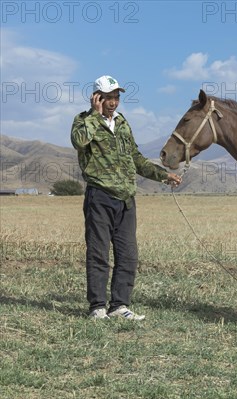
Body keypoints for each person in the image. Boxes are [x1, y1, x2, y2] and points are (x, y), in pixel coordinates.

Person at [71, 75, 181, 320]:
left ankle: (119, 305)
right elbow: (79, 142)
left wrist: (164, 176)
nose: (113, 102)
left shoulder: (122, 123)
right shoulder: (83, 121)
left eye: (116, 97)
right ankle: (97, 307)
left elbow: (137, 159)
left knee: (128, 254)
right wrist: (94, 114)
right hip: (100, 196)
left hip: (126, 199)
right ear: (97, 97)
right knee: (98, 253)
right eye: (108, 97)